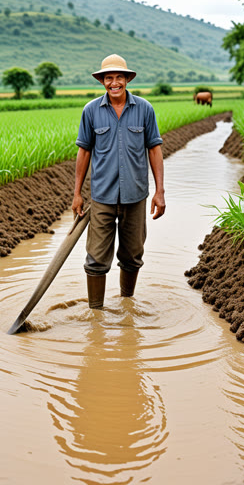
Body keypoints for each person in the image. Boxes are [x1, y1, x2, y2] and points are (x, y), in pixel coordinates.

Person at [71, 54, 166, 308]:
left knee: (133, 255)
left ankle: (127, 305)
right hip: (102, 195)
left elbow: (154, 149)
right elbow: (84, 151)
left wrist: (160, 192)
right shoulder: (90, 111)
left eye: (119, 77)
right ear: (102, 81)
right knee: (96, 259)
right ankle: (96, 314)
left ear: (127, 79)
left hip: (136, 195)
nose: (114, 83)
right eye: (109, 78)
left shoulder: (144, 109)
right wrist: (77, 193)